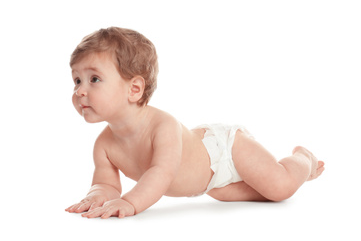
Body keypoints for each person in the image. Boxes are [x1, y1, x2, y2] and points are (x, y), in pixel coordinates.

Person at [65, 27, 325, 219]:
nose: (80, 91)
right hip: (210, 185)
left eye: (94, 79)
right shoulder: (104, 145)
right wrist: (97, 195)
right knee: (263, 196)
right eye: (77, 80)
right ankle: (293, 171)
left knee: (280, 187)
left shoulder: (161, 126)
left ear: (134, 89)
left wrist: (131, 203)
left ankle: (303, 159)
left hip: (225, 150)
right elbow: (107, 184)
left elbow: (161, 174)